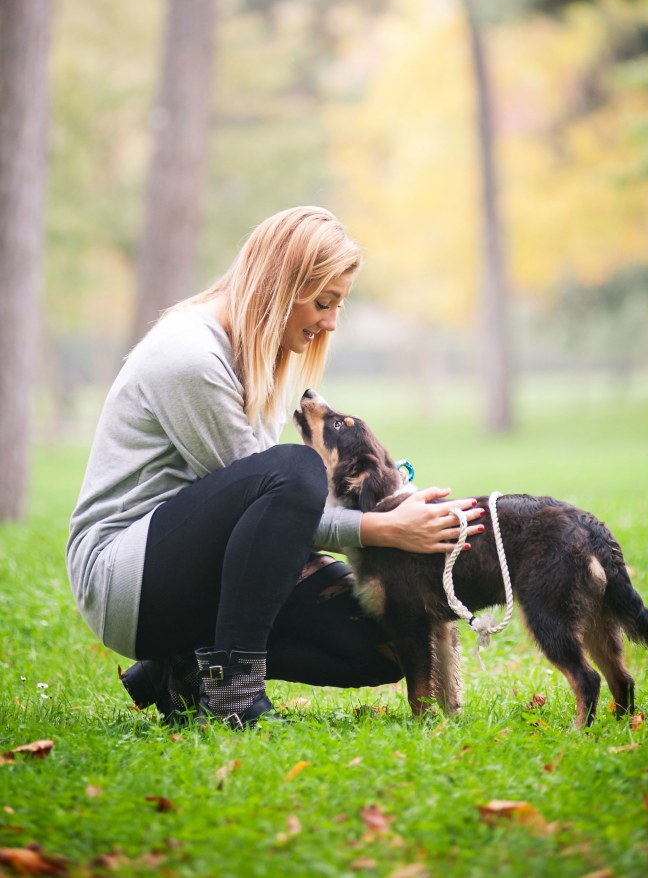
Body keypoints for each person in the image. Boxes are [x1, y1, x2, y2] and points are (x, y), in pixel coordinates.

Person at [66, 206, 483, 729]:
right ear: (281, 285)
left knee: (386, 638)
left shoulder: (256, 351)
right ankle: (233, 697)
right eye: (323, 302)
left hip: (197, 570)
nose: (331, 321)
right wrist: (383, 529)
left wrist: (393, 501)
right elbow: (277, 497)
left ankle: (183, 666)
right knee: (295, 467)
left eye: (338, 305)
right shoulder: (190, 357)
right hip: (127, 578)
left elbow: (273, 521)